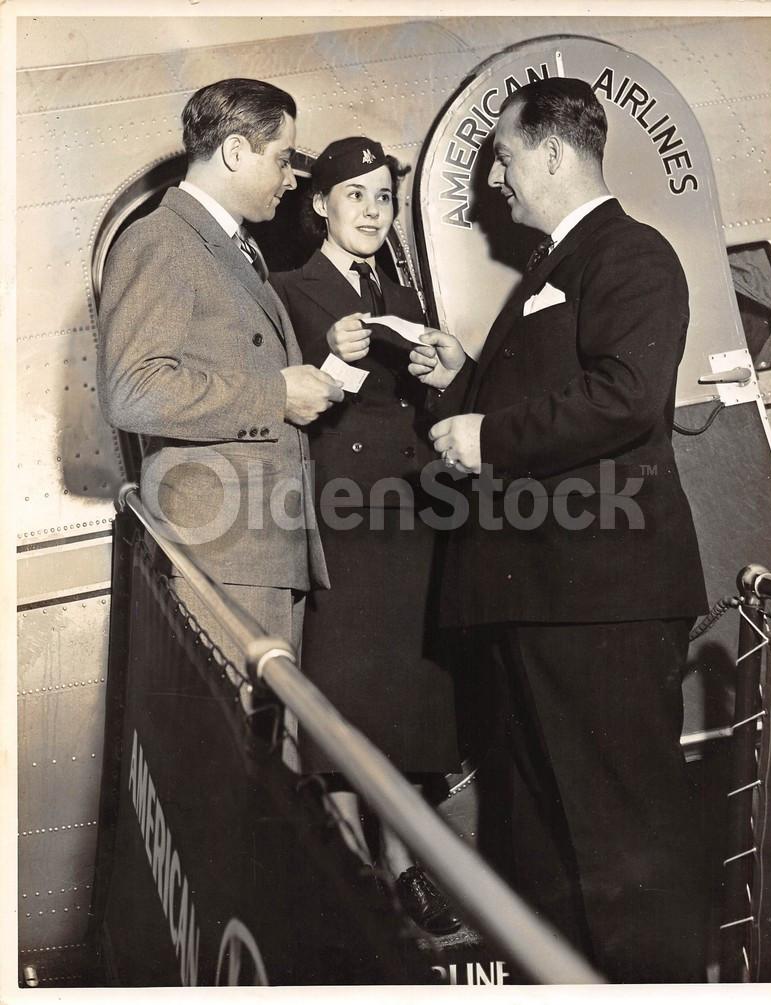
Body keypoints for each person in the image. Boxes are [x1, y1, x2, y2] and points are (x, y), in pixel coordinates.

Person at [409, 78, 709, 981]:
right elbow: (549, 394)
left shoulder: (631, 255)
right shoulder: (549, 268)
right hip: (543, 604)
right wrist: (464, 377)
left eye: (502, 158)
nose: (495, 181)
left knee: (624, 841)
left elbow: (626, 395)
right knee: (543, 840)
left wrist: (488, 432)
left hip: (599, 607)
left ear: (550, 151)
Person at [271, 137, 461, 935]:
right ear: (320, 205)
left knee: (409, 696)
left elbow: (422, 409)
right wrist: (335, 361)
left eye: (383, 197)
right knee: (349, 695)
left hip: (412, 512)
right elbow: (293, 406)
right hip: (346, 518)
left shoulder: (404, 293)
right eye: (356, 196)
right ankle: (373, 870)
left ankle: (412, 863)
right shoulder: (285, 290)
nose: (373, 211)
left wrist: (451, 369)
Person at [97, 78, 344, 677]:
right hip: (224, 555)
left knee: (265, 758)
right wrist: (277, 394)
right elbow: (133, 389)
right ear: (235, 151)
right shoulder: (162, 240)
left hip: (255, 548)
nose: (292, 179)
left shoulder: (229, 247)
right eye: (283, 159)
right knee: (238, 759)